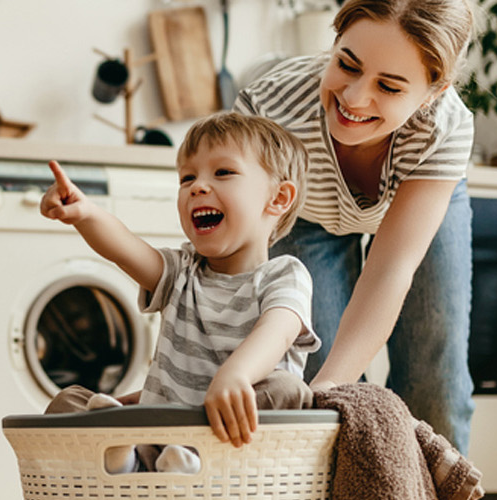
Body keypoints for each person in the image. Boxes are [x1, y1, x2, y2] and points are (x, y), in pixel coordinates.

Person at [233, 0, 478, 452]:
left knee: (435, 378)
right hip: (306, 214)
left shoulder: (444, 128)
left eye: (388, 86)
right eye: (347, 64)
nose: (354, 98)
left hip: (411, 205)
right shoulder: (268, 109)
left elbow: (391, 270)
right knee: (322, 370)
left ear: (433, 93)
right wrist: (325, 395)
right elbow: (239, 249)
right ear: (335, 42)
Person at [38, 112, 318, 473]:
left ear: (278, 198)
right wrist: (86, 214)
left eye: (223, 172)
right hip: (157, 435)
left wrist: (235, 376)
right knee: (70, 401)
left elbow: (277, 332)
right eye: (187, 177)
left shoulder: (285, 275)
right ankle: (126, 460)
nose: (197, 187)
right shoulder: (182, 271)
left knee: (289, 391)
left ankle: (184, 463)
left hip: (234, 443)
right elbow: (126, 248)